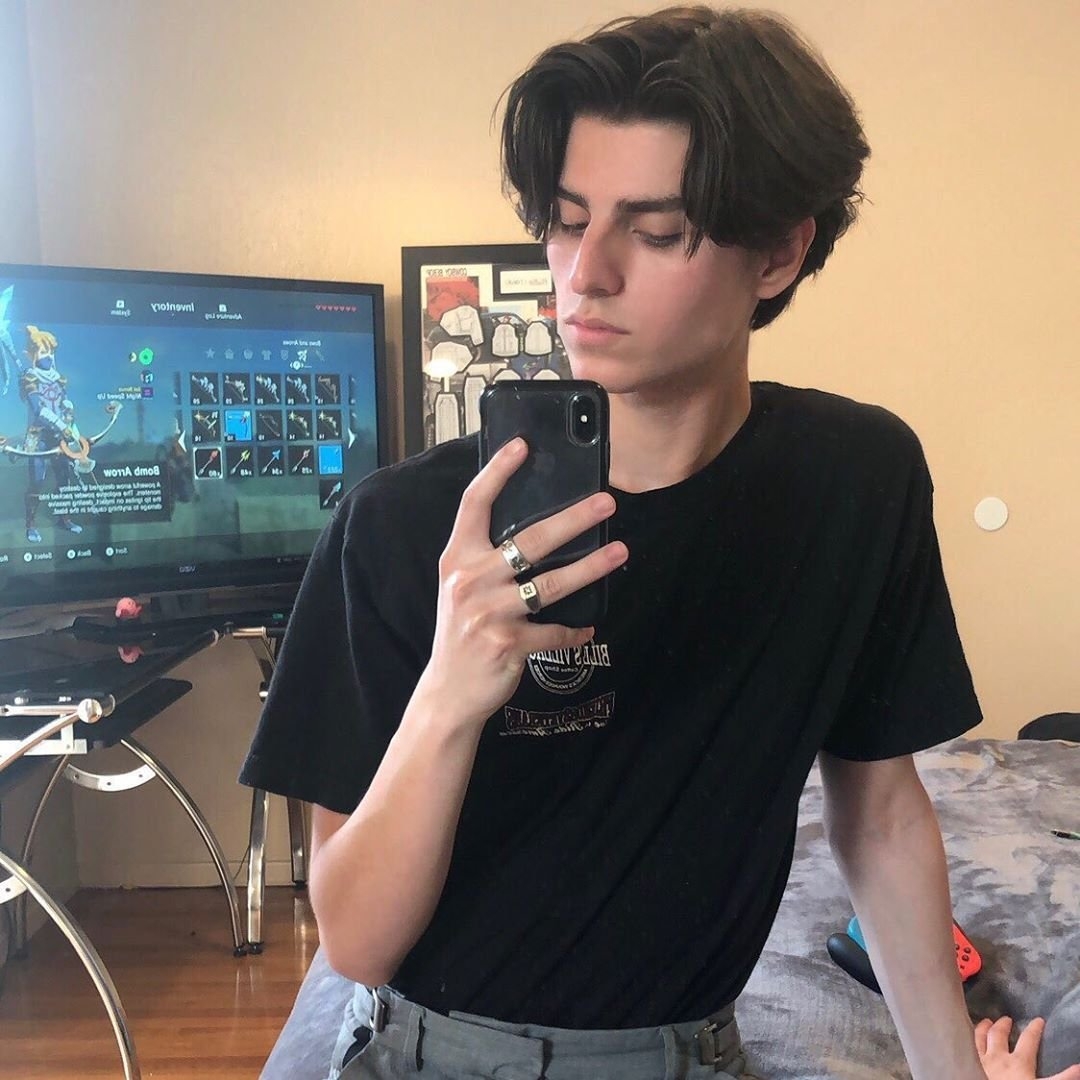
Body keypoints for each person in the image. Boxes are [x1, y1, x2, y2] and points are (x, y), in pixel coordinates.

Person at [240, 8, 1080, 1080]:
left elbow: (878, 815)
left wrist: (952, 1073)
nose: (583, 274)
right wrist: (451, 692)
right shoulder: (401, 528)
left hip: (700, 1053)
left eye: (655, 229)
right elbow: (355, 943)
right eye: (566, 220)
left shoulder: (856, 482)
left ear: (779, 252)